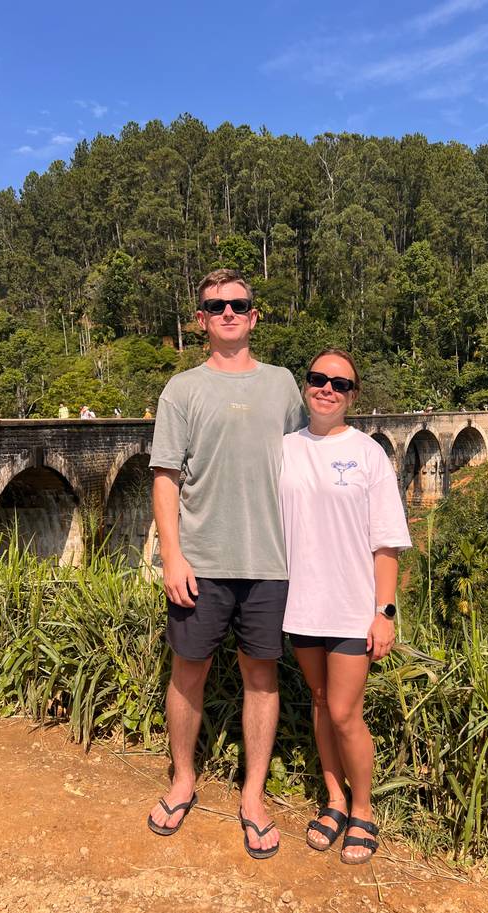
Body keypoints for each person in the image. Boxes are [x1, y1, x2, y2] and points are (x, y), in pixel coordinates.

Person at [147, 268, 305, 858]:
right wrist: (172, 555)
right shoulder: (181, 390)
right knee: (188, 673)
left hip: (271, 562)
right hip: (203, 563)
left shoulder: (285, 384)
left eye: (239, 304)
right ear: (201, 320)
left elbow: (306, 464)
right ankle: (183, 778)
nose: (229, 313)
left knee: (260, 677)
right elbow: (165, 478)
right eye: (217, 307)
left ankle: (253, 796)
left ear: (254, 315)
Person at [280, 349, 411, 864]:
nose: (327, 388)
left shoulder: (368, 454)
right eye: (318, 379)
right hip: (300, 603)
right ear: (306, 386)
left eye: (340, 383)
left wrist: (386, 611)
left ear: (353, 395)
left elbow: (387, 543)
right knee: (318, 700)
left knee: (344, 712)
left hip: (352, 606)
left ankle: (363, 809)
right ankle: (333, 800)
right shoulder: (285, 448)